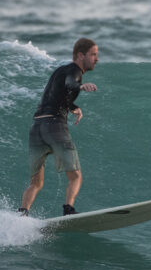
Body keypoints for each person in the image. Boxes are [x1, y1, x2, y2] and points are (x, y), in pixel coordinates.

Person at [18, 38, 99, 217]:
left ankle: (22, 214)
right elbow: (71, 83)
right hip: (54, 126)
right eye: (93, 54)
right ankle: (68, 210)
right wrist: (81, 86)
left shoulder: (59, 71)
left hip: (37, 128)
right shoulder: (75, 71)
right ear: (80, 55)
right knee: (75, 176)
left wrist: (72, 107)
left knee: (35, 183)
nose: (97, 59)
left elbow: (55, 96)